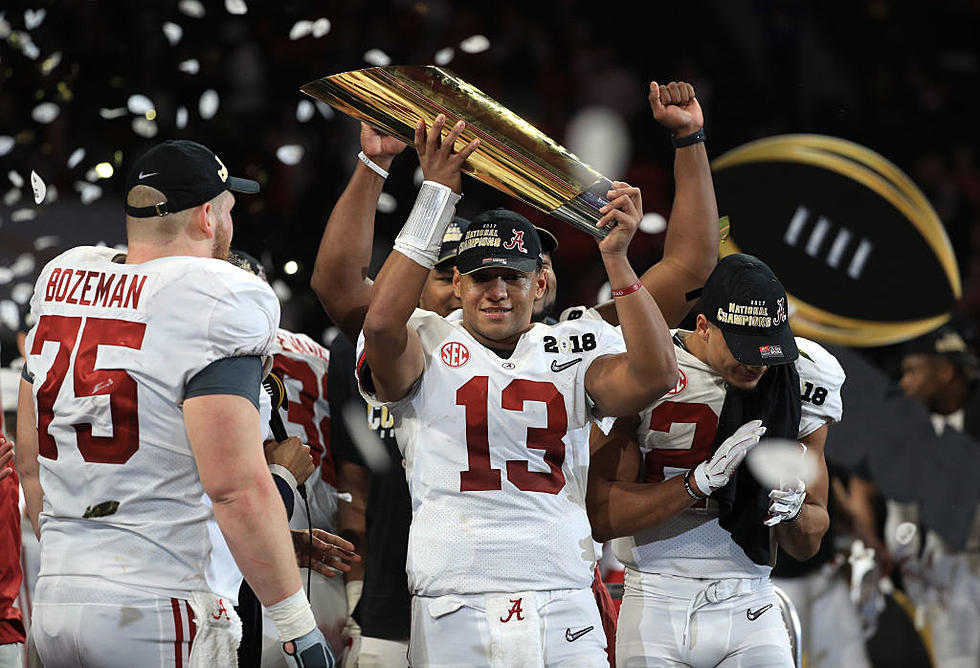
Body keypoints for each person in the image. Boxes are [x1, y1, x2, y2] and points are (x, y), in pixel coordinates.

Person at [314, 79, 718, 667]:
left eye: (514, 275)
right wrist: (412, 186)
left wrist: (688, 145)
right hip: (452, 592)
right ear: (455, 281)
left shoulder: (574, 342)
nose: (497, 291)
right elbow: (361, 309)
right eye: (479, 276)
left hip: (559, 590)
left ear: (542, 281)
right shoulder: (422, 338)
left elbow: (672, 318)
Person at [15, 139, 341, 667]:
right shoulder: (220, 296)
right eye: (229, 210)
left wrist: (77, 573)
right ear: (208, 216)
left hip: (55, 602)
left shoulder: (63, 278)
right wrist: (297, 626)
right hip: (160, 608)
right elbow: (233, 488)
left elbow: (30, 466)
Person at [588, 253, 845, 667]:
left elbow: (808, 541)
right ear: (703, 326)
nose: (757, 361)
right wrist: (697, 484)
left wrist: (795, 512)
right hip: (656, 597)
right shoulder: (648, 365)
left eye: (768, 348)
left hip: (751, 600)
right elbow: (602, 517)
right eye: (743, 347)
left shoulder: (805, 378)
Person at [891, 324, 980, 668]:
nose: (904, 383)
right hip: (945, 567)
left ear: (944, 371)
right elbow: (903, 511)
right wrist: (907, 557)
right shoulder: (910, 430)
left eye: (913, 371)